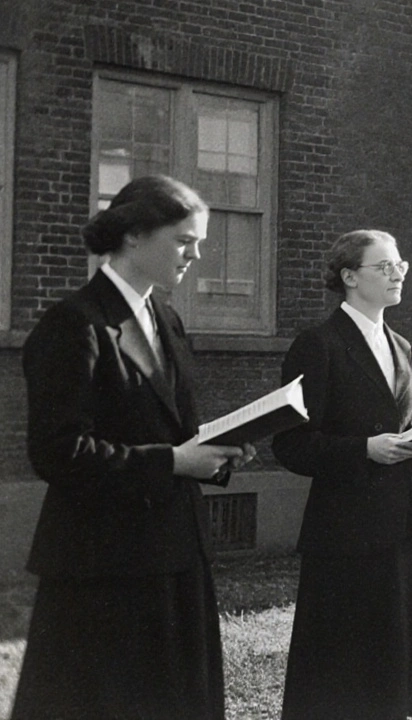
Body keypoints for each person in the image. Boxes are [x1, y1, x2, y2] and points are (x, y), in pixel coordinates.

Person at [13, 175, 252, 720]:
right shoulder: (74, 324)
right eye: (184, 240)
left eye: (200, 242)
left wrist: (217, 451)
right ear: (134, 235)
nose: (196, 254)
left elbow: (169, 425)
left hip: (174, 556)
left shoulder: (165, 317)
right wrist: (174, 461)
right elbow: (57, 452)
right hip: (103, 570)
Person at [272, 230, 412, 720]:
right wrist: (363, 450)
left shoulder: (403, 346)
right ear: (349, 277)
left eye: (401, 266)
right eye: (384, 266)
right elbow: (290, 444)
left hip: (404, 527)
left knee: (393, 675)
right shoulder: (318, 345)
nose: (397, 274)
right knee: (345, 676)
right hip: (347, 535)